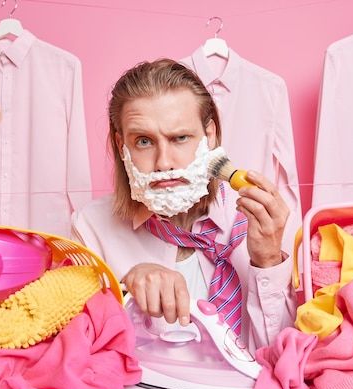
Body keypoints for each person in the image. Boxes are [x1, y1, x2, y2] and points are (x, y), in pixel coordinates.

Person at [71, 58, 297, 350]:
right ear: (121, 146)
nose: (164, 163)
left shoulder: (260, 219)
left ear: (210, 135)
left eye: (179, 138)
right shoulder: (90, 229)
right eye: (143, 141)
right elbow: (81, 352)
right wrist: (125, 292)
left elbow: (287, 358)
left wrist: (267, 262)